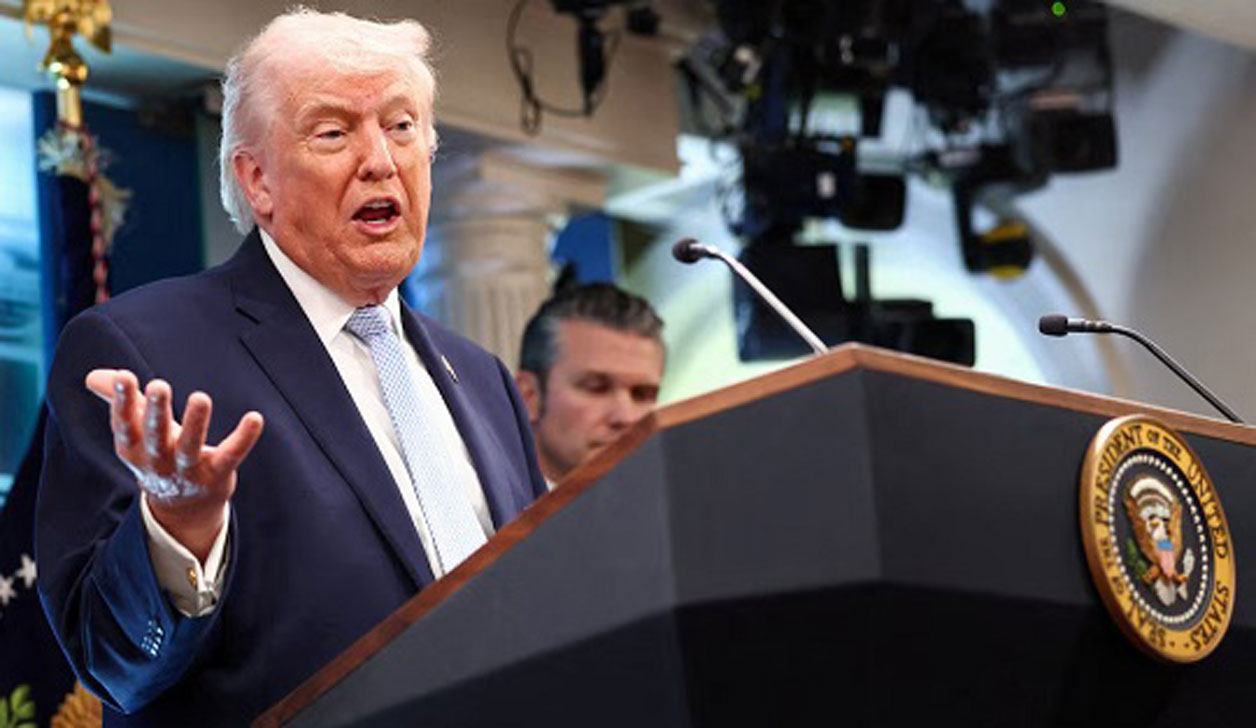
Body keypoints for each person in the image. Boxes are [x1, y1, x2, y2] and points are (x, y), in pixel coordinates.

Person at [36, 10, 546, 725]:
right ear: (257, 180)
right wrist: (178, 529)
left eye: (402, 127)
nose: (380, 160)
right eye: (334, 133)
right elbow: (111, 661)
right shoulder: (142, 350)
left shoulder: (484, 378)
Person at [514, 283, 665, 486]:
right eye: (596, 388)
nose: (625, 417)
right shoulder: (483, 502)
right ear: (528, 396)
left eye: (642, 394)